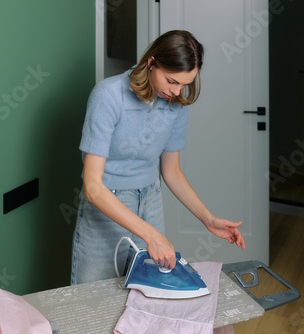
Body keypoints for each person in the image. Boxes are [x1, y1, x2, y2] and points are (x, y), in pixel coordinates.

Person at [71, 30, 245, 285]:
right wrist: (150, 235)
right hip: (106, 205)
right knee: (91, 301)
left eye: (185, 84)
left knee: (147, 295)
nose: (176, 91)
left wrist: (208, 219)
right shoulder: (108, 95)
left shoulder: (176, 103)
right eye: (171, 81)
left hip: (150, 200)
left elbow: (171, 171)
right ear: (151, 63)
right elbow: (92, 186)